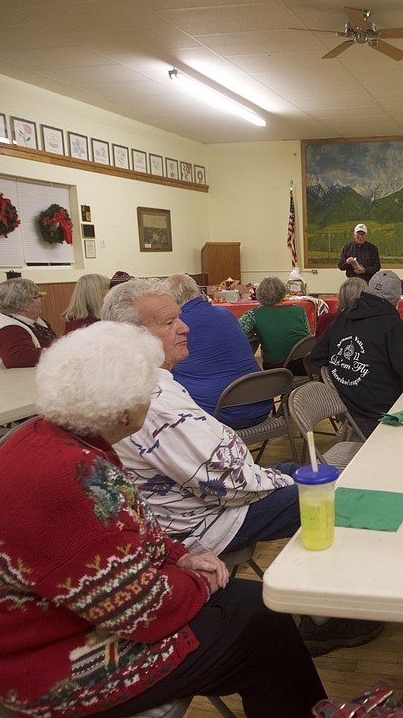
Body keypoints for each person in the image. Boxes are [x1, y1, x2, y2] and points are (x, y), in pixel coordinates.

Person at [0, 322, 325, 718]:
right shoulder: (71, 477)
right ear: (123, 409)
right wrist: (194, 581)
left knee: (262, 604)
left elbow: (132, 529)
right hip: (55, 668)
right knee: (261, 640)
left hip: (72, 621)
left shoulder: (56, 439)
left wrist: (179, 557)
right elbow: (143, 610)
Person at [103, 279, 384, 656]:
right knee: (329, 496)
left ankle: (328, 604)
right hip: (203, 522)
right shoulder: (149, 398)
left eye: (179, 318)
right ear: (131, 336)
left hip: (216, 498)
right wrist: (284, 477)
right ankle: (326, 621)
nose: (184, 328)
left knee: (303, 478)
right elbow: (224, 482)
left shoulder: (149, 382)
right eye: (169, 323)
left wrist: (278, 473)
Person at [312, 269, 403, 437]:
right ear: (397, 300)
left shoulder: (344, 317)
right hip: (383, 414)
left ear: (367, 292)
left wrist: (347, 373)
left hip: (347, 411)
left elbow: (316, 357)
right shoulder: (390, 323)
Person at [167, 273, 270, 429]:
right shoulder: (226, 313)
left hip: (221, 414)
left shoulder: (178, 326)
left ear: (171, 300)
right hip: (261, 403)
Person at [0, 278, 58, 373]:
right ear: (24, 305)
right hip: (2, 384)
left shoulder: (35, 320)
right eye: (37, 297)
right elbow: (18, 360)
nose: (41, 299)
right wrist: (61, 351)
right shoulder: (9, 330)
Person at [240, 276, 311, 373]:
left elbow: (239, 335)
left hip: (276, 368)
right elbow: (308, 334)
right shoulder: (299, 310)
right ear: (283, 292)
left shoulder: (252, 315)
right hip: (305, 363)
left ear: (259, 294)